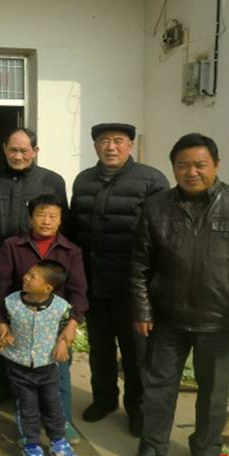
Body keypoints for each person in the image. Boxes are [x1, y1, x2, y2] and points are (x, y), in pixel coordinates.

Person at [125, 133, 229, 456]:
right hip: (167, 319)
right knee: (157, 388)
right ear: (173, 168)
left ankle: (206, 451)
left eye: (200, 165)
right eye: (183, 166)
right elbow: (139, 265)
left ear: (216, 165)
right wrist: (143, 310)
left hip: (220, 321)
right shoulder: (156, 207)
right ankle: (151, 447)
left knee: (213, 393)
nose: (191, 172)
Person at [69, 123, 169, 436]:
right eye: (103, 141)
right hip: (95, 283)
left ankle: (137, 410)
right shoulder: (84, 180)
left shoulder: (151, 180)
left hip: (133, 289)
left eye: (118, 141)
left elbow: (162, 236)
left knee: (136, 355)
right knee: (99, 349)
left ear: (130, 144)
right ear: (95, 146)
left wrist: (153, 288)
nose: (110, 147)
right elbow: (74, 228)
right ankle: (104, 400)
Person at [0, 127, 68, 406]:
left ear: (35, 151)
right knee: (2, 327)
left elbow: (62, 223)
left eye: (24, 150)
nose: (18, 155)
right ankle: (2, 388)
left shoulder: (51, 181)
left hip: (39, 273)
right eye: (13, 150)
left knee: (40, 332)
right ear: (4, 149)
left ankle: (41, 394)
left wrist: (53, 267)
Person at [0, 194, 88, 443]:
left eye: (53, 216)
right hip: (20, 323)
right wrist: (1, 324)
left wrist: (72, 324)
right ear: (31, 218)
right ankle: (28, 425)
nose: (46, 221)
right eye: (41, 214)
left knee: (58, 374)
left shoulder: (71, 250)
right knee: (22, 377)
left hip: (55, 326)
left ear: (61, 220)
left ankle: (61, 422)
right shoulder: (13, 246)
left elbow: (79, 291)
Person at [0, 260, 83, 456]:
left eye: (33, 276)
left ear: (47, 288)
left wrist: (63, 344)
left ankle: (58, 442)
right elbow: (0, 320)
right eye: (27, 273)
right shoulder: (11, 301)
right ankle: (31, 446)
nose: (26, 277)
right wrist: (3, 333)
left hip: (48, 367)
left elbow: (67, 330)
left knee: (54, 406)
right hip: (19, 367)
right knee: (27, 409)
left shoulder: (61, 307)